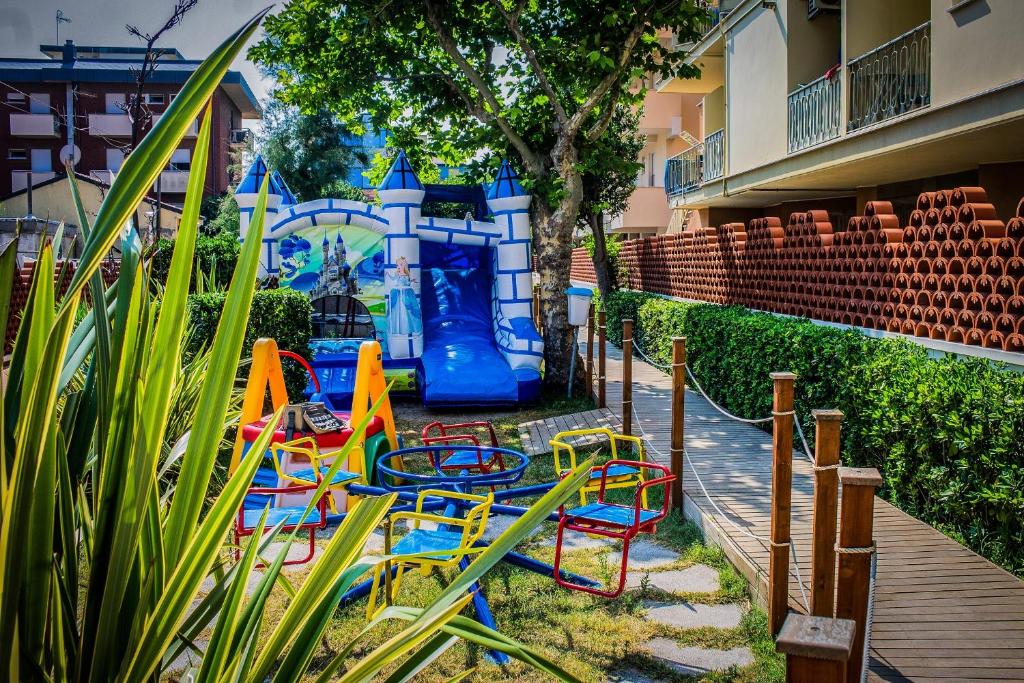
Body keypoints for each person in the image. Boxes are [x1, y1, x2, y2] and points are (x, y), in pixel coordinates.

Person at [387, 256, 422, 335]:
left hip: (405, 293)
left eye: (400, 265)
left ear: (404, 265)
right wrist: (388, 274)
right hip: (397, 293)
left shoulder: (406, 275)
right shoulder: (397, 274)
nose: (398, 267)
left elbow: (407, 283)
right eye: (397, 265)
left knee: (408, 310)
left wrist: (412, 281)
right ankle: (397, 329)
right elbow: (393, 279)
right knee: (396, 310)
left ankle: (409, 328)